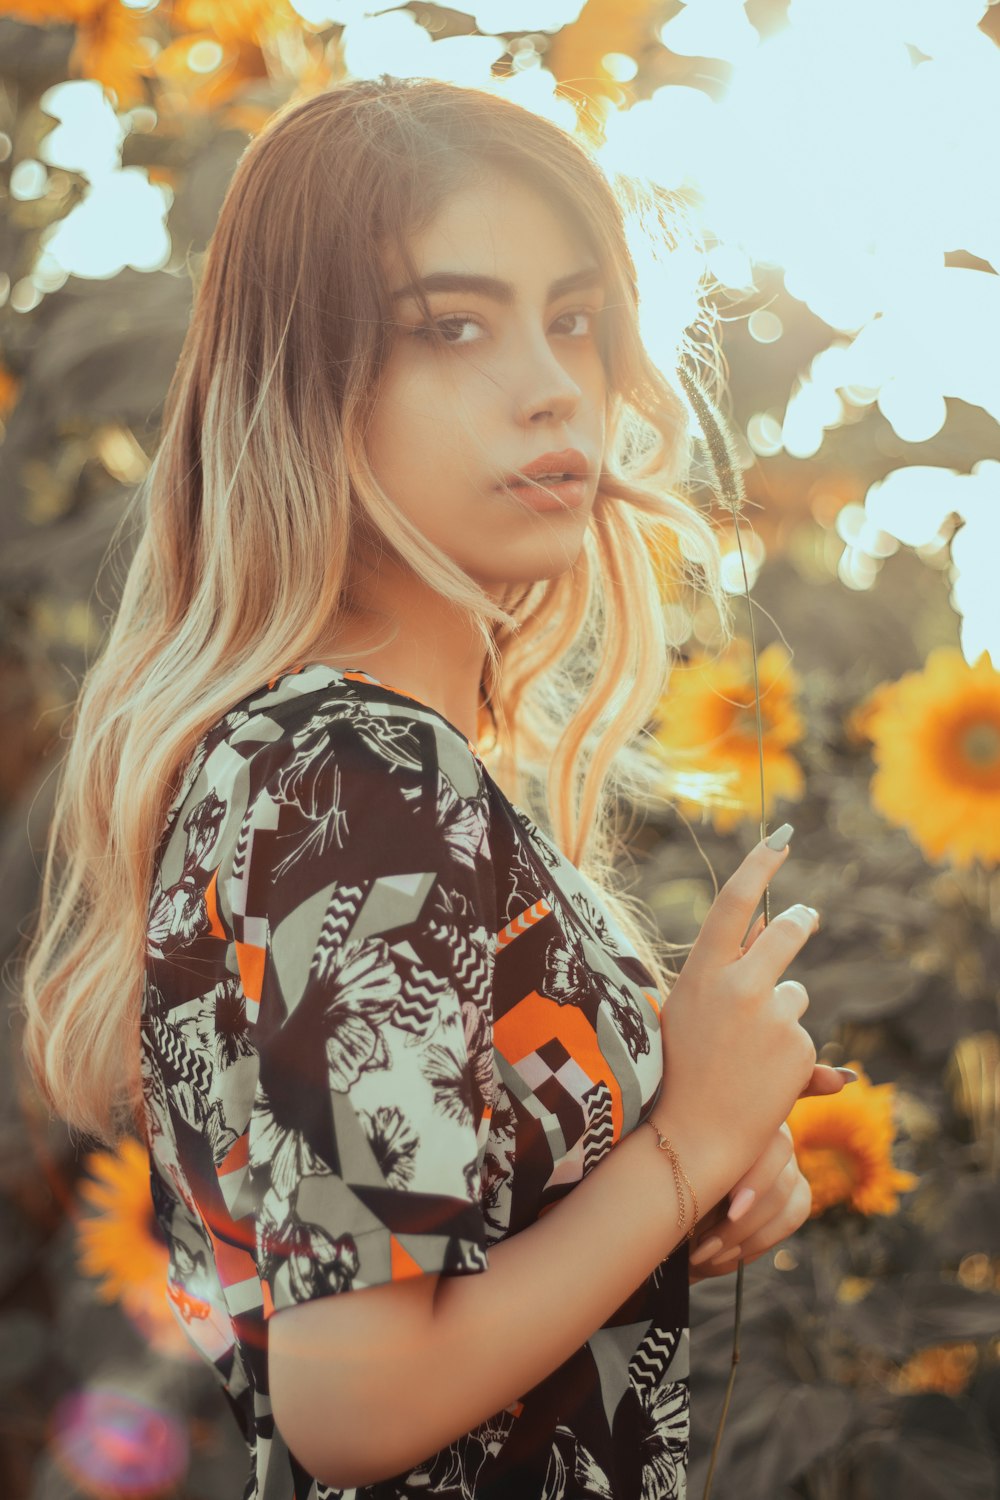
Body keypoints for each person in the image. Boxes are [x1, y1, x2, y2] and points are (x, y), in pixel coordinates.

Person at [17, 75, 851, 1499]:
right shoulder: (357, 772)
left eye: (573, 320)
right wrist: (688, 1143)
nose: (550, 381)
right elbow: (357, 1398)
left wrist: (684, 1167)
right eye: (453, 327)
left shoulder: (334, 765)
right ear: (307, 383)